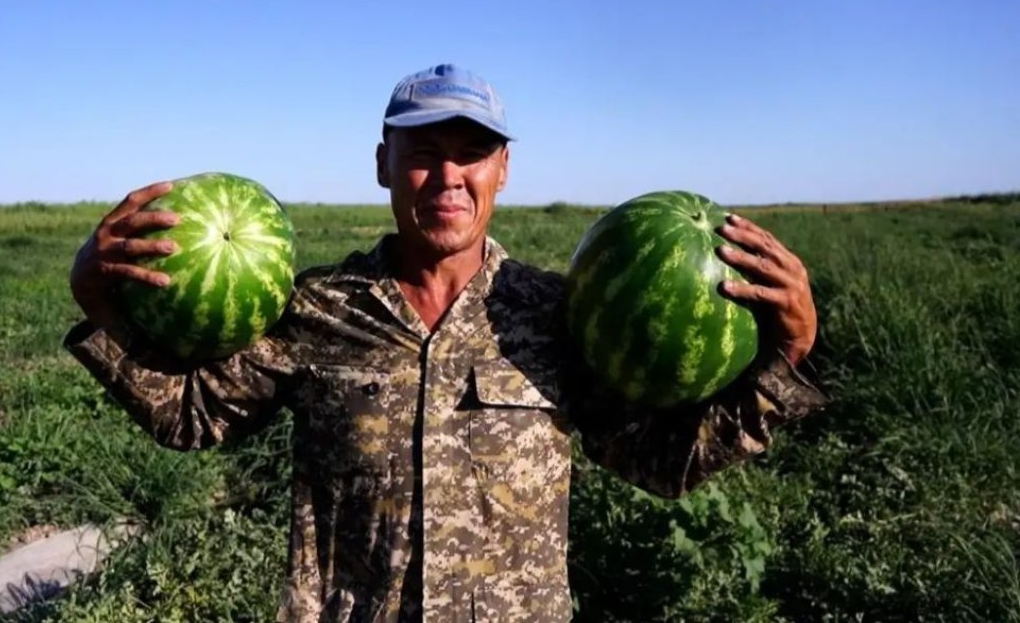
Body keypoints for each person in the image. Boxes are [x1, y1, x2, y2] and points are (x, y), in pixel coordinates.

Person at [64, 64, 827, 622]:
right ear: (383, 165)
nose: (447, 176)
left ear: (502, 170)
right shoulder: (316, 308)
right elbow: (196, 417)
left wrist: (784, 358)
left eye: (471, 153)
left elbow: (660, 462)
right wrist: (103, 306)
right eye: (424, 151)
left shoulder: (553, 318)